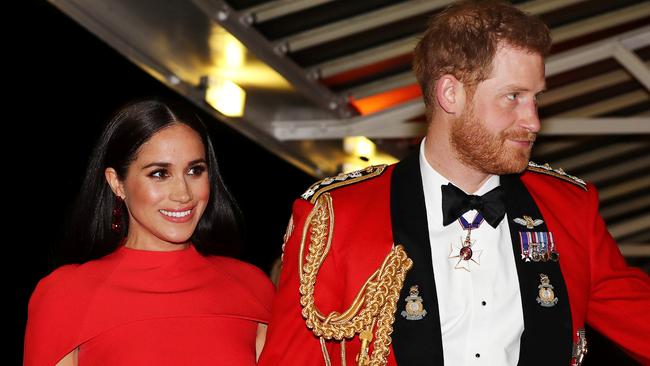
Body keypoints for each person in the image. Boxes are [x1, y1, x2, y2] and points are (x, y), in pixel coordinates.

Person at [258, 1, 650, 365]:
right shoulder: (337, 215)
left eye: (536, 99)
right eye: (513, 97)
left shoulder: (568, 208)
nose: (533, 121)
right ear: (450, 93)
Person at [24, 99, 274, 365]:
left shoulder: (252, 287)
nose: (183, 194)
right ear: (116, 183)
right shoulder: (66, 294)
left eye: (194, 170)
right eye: (159, 174)